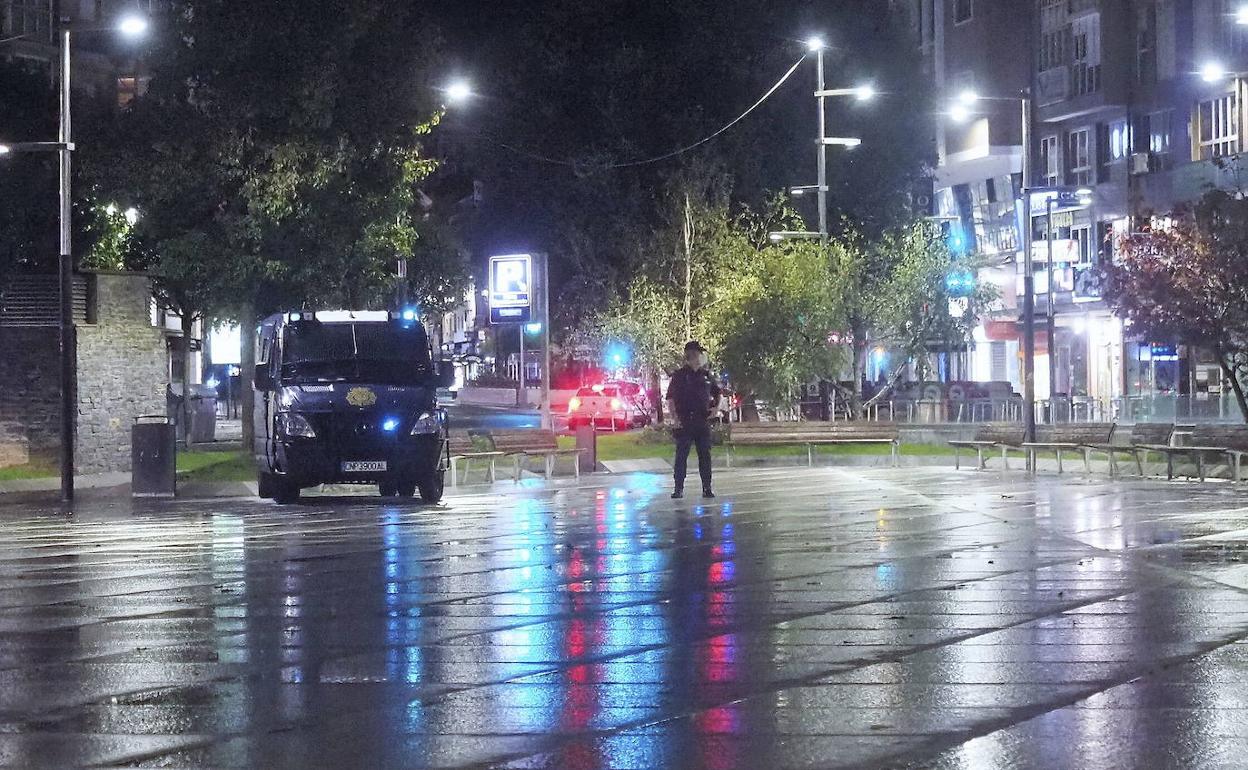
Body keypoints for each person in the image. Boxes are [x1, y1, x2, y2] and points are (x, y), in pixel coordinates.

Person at [665, 340, 721, 499]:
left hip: (702, 421)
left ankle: (707, 488)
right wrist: (675, 418)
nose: (700, 357)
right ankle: (678, 488)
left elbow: (718, 393)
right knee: (681, 456)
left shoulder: (707, 375)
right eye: (697, 354)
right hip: (685, 420)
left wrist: (715, 409)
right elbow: (670, 399)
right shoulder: (680, 376)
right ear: (691, 355)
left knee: (705, 455)